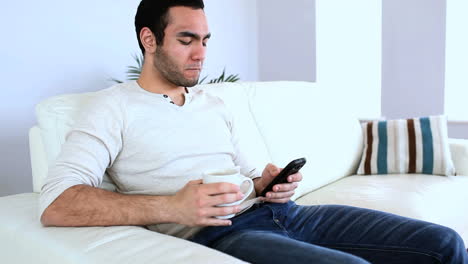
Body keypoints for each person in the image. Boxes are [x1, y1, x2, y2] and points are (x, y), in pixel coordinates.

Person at [39, 0, 467, 263]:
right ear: (149, 39)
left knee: (445, 244)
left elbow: (251, 171)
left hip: (287, 215)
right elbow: (56, 202)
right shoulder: (112, 107)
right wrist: (172, 207)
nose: (201, 54)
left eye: (206, 40)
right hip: (226, 234)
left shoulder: (214, 101)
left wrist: (269, 182)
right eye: (187, 40)